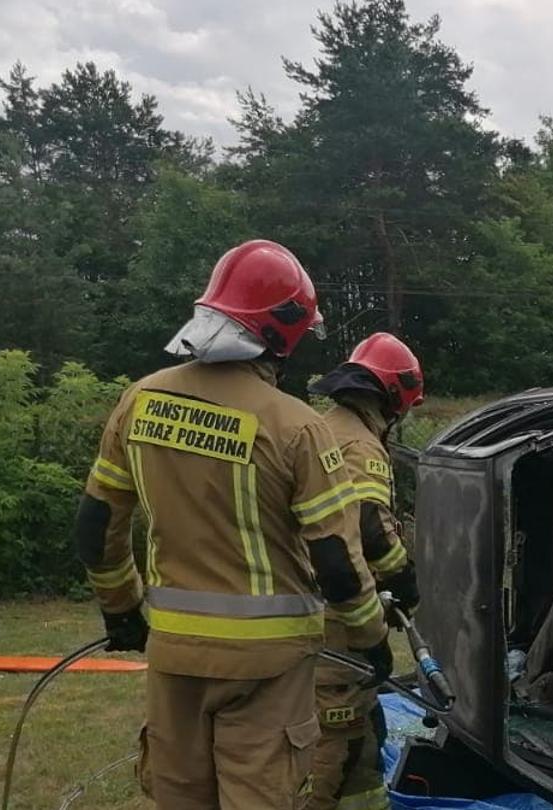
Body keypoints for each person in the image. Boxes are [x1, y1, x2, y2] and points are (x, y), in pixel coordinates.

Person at [74, 239, 392, 808]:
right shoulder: (298, 426)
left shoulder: (139, 400)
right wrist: (371, 639)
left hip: (174, 652)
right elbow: (337, 562)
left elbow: (97, 524)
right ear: (285, 333)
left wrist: (120, 608)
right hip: (267, 668)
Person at [306, 332, 427, 810]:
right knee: (337, 737)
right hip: (335, 622)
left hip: (309, 611)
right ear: (394, 397)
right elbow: (369, 528)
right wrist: (403, 580)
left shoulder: (324, 427)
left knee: (362, 737)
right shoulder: (360, 445)